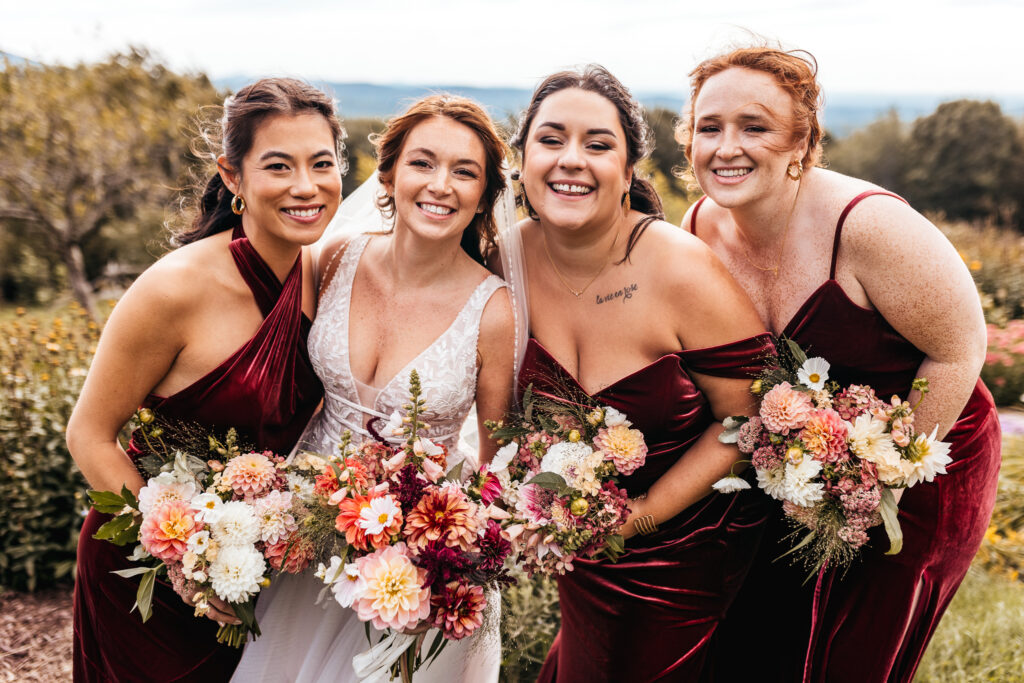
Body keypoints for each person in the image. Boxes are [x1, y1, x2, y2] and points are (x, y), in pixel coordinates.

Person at [679, 46, 1001, 682]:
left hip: (927, 452)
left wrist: (877, 477)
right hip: (796, 464)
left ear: (802, 141)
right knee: (767, 639)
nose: (726, 147)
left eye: (755, 127)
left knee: (852, 650)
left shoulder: (869, 226)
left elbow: (960, 348)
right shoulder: (698, 230)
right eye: (708, 127)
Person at [503, 64, 775, 683]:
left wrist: (645, 509)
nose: (571, 160)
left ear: (628, 171)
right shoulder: (503, 258)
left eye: (598, 145)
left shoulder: (680, 270)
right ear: (522, 160)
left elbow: (747, 417)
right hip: (581, 553)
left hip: (687, 553)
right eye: (551, 139)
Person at [230, 94, 516, 683]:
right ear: (388, 174)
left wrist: (447, 559)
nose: (441, 185)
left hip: (420, 556)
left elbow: (496, 461)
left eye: (465, 172)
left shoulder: (494, 309)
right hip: (306, 532)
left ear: (485, 196)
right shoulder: (333, 256)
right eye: (423, 163)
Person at [68, 78, 343, 682]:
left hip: (259, 577)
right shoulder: (176, 288)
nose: (306, 186)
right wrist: (182, 553)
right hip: (145, 573)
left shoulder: (329, 273)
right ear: (233, 176)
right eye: (279, 165)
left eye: (322, 163)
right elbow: (88, 434)